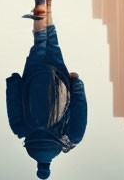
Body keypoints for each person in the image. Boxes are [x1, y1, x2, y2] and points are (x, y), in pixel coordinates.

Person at [6, 17, 87, 178]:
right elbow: (13, 103)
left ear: (49, 164)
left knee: (52, 42)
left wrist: (76, 84)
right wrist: (14, 81)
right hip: (33, 78)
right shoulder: (21, 129)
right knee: (39, 43)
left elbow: (80, 110)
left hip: (59, 80)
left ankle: (45, 0)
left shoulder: (70, 138)